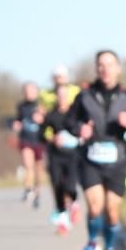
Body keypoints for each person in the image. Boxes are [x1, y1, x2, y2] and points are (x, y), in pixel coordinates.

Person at [67, 50, 126, 250]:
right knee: (95, 204)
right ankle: (92, 244)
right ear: (97, 69)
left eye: (109, 64)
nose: (105, 69)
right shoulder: (84, 96)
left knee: (112, 209)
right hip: (90, 158)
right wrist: (79, 128)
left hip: (117, 160)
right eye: (101, 65)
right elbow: (70, 123)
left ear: (118, 68)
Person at [43, 84, 82, 235]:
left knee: (71, 186)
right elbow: (42, 134)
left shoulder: (75, 114)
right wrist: (53, 138)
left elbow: (82, 131)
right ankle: (63, 223)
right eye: (59, 95)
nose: (62, 98)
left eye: (64, 95)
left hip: (73, 155)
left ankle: (75, 204)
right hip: (55, 156)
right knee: (58, 186)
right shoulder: (51, 115)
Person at [13, 82, 46, 208]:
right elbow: (18, 119)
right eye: (26, 91)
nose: (28, 93)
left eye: (31, 90)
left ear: (36, 91)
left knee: (39, 169)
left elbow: (49, 121)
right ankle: (28, 189)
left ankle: (38, 193)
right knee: (28, 164)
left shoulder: (42, 105)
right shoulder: (21, 106)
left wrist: (42, 118)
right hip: (26, 139)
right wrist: (16, 123)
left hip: (39, 140)